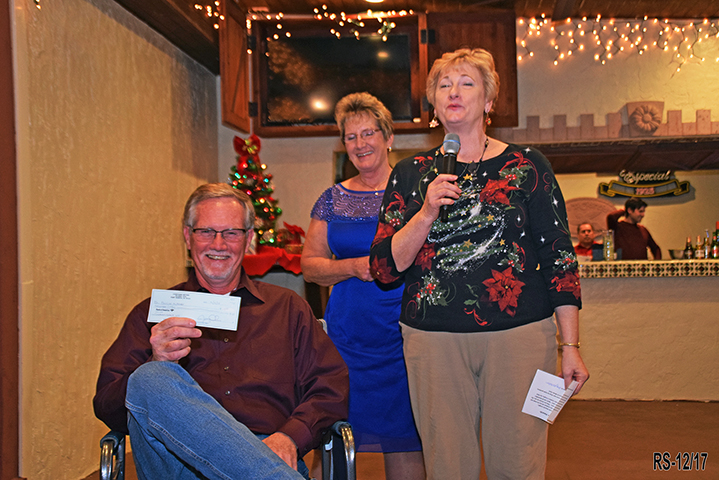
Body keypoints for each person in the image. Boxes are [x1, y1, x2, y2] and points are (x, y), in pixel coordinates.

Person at [369, 48, 589, 480]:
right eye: (444, 85)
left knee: (518, 463)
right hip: (433, 340)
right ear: (434, 106)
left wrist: (571, 346)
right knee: (448, 467)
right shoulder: (410, 174)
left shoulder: (527, 165)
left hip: (519, 337)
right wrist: (425, 212)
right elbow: (384, 269)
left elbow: (559, 257)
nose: (454, 92)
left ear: (489, 101)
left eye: (467, 83)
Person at [93, 183, 349, 480]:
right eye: (206, 231)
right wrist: (157, 360)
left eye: (231, 233)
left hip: (269, 450)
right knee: (149, 377)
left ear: (249, 239)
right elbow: (107, 405)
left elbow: (331, 387)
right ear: (187, 236)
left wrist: (291, 437)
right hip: (179, 466)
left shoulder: (288, 309)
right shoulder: (152, 315)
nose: (218, 244)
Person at [301, 92, 425, 480]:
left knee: (405, 437)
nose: (360, 144)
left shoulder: (414, 194)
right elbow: (309, 266)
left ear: (389, 137)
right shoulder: (332, 199)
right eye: (351, 137)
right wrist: (354, 267)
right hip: (347, 336)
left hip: (405, 333)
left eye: (368, 133)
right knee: (333, 431)